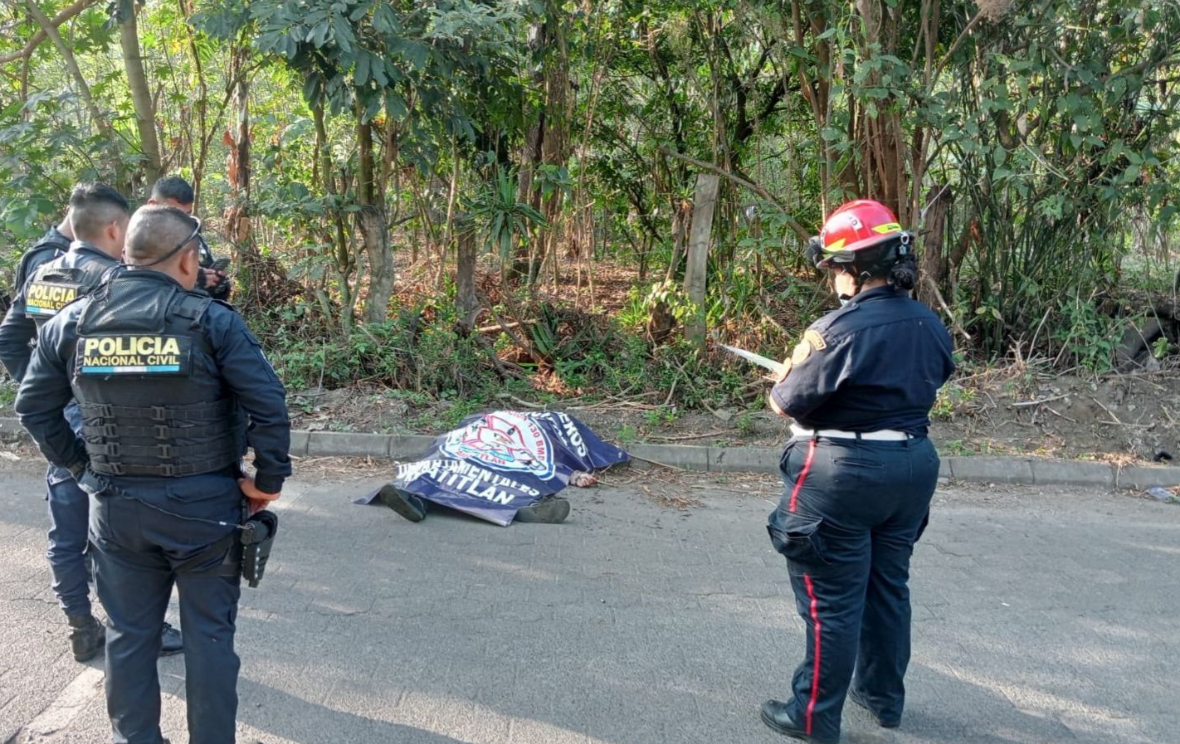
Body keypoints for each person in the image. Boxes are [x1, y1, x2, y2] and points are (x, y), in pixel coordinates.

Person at [16, 205, 290, 744]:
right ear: (189, 260)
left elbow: (32, 408)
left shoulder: (75, 320)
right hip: (205, 509)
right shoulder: (211, 319)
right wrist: (267, 483)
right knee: (209, 638)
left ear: (126, 254)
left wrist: (81, 469)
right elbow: (269, 405)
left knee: (128, 637)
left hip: (115, 509)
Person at [759, 200, 955, 744]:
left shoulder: (837, 331)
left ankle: (813, 716)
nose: (833, 279)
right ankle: (883, 699)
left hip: (842, 476)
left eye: (835, 268)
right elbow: (929, 378)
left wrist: (791, 372)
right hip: (912, 466)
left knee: (831, 602)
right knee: (888, 587)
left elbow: (788, 402)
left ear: (854, 268)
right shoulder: (929, 323)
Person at [0, 184, 186, 662]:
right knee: (117, 533)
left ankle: (80, 624)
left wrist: (39, 386)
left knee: (66, 529)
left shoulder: (41, 272)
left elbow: (11, 338)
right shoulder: (115, 279)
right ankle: (138, 627)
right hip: (109, 422)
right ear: (114, 229)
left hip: (58, 420)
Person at [148, 175, 231, 300]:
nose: (182, 221)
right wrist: (190, 280)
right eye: (175, 214)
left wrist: (217, 285)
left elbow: (210, 286)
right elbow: (138, 287)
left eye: (187, 214)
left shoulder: (193, 237)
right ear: (153, 205)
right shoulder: (137, 239)